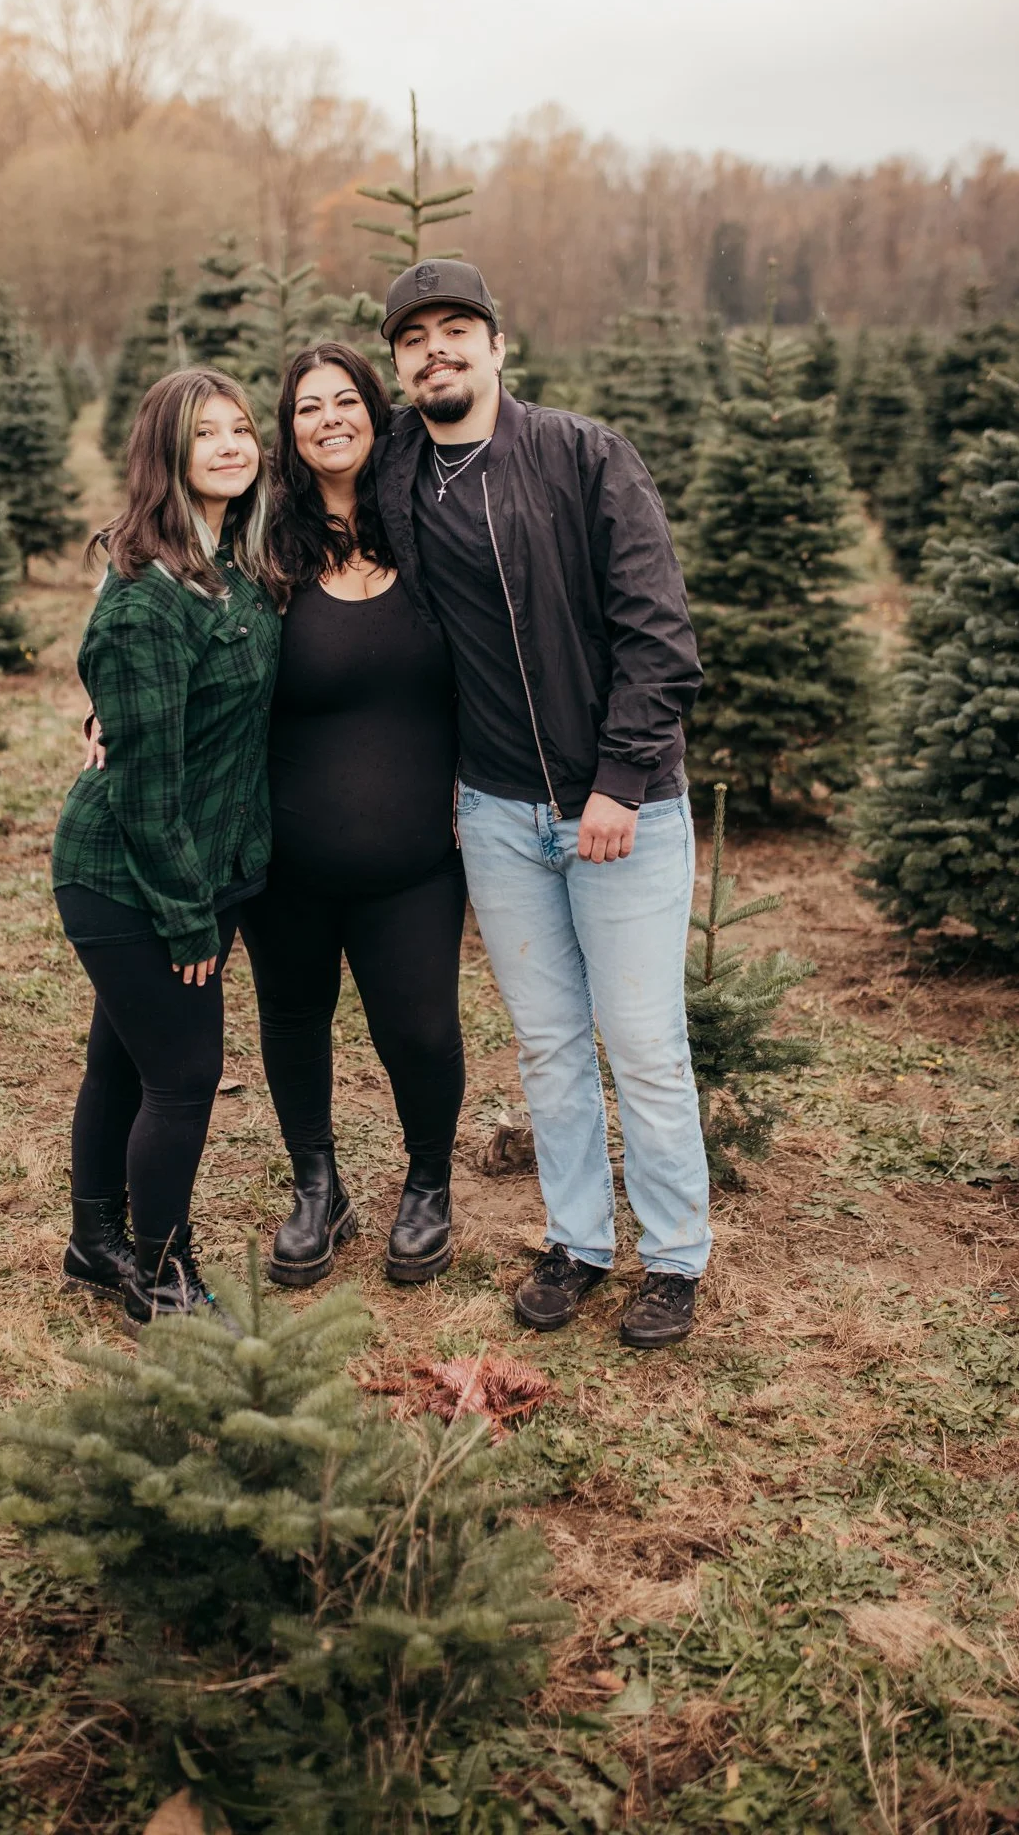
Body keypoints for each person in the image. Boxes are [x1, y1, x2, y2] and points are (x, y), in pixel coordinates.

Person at [373, 260, 711, 1349]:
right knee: (551, 1043)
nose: (438, 349)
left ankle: (673, 1257)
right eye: (414, 336)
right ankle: (576, 1240)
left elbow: (661, 634)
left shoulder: (584, 455)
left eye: (457, 328)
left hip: (622, 811)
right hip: (498, 815)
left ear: (498, 345)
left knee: (644, 1040)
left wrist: (619, 777)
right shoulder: (398, 477)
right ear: (398, 366)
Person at [52, 368, 283, 1331]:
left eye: (241, 429)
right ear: (168, 454)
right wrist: (188, 914)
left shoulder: (229, 564)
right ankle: (161, 1276)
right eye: (206, 434)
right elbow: (145, 794)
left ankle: (93, 1241)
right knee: (184, 1077)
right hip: (130, 876)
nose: (231, 446)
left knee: (124, 1059)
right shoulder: (149, 596)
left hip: (203, 867)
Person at [239, 343, 466, 1288]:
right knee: (293, 1018)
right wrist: (105, 707)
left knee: (418, 1027)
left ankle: (427, 1184)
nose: (328, 418)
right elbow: (180, 629)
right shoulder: (261, 547)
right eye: (305, 408)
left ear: (378, 413)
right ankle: (315, 1184)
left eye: (345, 401)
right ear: (287, 432)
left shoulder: (428, 531)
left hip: (412, 863)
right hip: (285, 859)